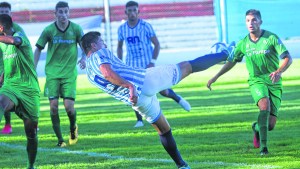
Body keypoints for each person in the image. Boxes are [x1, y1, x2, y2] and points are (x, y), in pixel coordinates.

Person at [81, 31, 234, 169]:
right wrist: (129, 85)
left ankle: (182, 165)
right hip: (144, 81)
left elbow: (104, 74)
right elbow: (107, 73)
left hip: (137, 101)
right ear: (94, 45)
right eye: (101, 42)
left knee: (164, 130)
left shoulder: (88, 73)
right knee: (187, 66)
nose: (105, 44)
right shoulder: (99, 53)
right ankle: (225, 53)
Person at [207, 9, 293, 155]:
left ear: (260, 22)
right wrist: (215, 77)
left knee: (270, 125)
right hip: (256, 81)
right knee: (264, 105)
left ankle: (257, 128)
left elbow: (287, 58)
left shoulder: (271, 38)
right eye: (248, 20)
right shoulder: (243, 43)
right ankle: (264, 148)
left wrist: (278, 71)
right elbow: (231, 61)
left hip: (274, 81)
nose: (251, 23)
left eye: (254, 20)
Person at [117, 1, 191, 128]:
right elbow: (119, 47)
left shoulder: (146, 26)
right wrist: (120, 63)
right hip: (132, 66)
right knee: (133, 91)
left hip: (147, 65)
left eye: (134, 10)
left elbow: (156, 44)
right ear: (126, 13)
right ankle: (139, 120)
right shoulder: (122, 29)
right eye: (129, 11)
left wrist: (152, 61)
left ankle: (178, 98)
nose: (132, 13)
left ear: (138, 11)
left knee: (162, 91)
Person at [34, 1, 85, 147]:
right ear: (55, 14)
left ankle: (73, 127)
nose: (63, 15)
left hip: (69, 74)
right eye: (60, 12)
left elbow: (84, 46)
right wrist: (33, 67)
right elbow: (38, 48)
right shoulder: (49, 30)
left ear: (69, 12)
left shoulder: (76, 29)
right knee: (54, 107)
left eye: (66, 12)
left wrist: (84, 57)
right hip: (52, 74)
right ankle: (60, 140)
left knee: (69, 107)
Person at [0, 14, 40, 169]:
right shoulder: (2, 44)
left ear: (1, 28)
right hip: (11, 87)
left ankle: (30, 165)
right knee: (1, 101)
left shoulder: (19, 35)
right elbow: (8, 61)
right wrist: (2, 77)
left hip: (29, 91)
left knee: (31, 134)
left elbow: (14, 41)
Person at [0, 1, 26, 134]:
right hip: (2, 66)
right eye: (1, 12)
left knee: (7, 98)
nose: (4, 14)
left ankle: (27, 119)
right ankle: (8, 125)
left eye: (6, 12)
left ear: (10, 13)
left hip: (12, 67)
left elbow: (20, 45)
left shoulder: (17, 29)